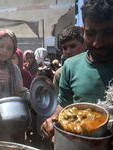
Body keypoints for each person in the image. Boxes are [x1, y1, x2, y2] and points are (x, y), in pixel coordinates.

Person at [41, 1, 113, 149]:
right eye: (91, 33)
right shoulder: (70, 66)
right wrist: (54, 119)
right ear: (83, 31)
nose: (98, 43)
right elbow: (64, 104)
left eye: (108, 33)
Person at [0, 28, 30, 143]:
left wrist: (35, 98)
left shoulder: (14, 70)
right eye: (1, 45)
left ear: (14, 50)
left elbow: (21, 92)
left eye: (9, 48)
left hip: (7, 121)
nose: (4, 50)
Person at [53, 25, 86, 93]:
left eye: (73, 46)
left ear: (84, 45)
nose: (68, 52)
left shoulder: (97, 68)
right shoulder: (60, 74)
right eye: (65, 48)